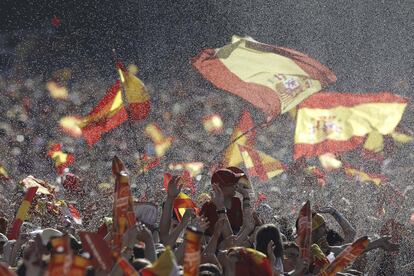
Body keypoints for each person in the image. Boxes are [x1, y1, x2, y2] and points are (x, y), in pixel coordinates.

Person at [201, 167, 250, 236]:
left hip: (236, 242)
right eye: (233, 183)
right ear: (220, 187)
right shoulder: (208, 206)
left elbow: (246, 224)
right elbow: (203, 234)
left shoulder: (236, 202)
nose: (236, 186)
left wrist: (246, 195)